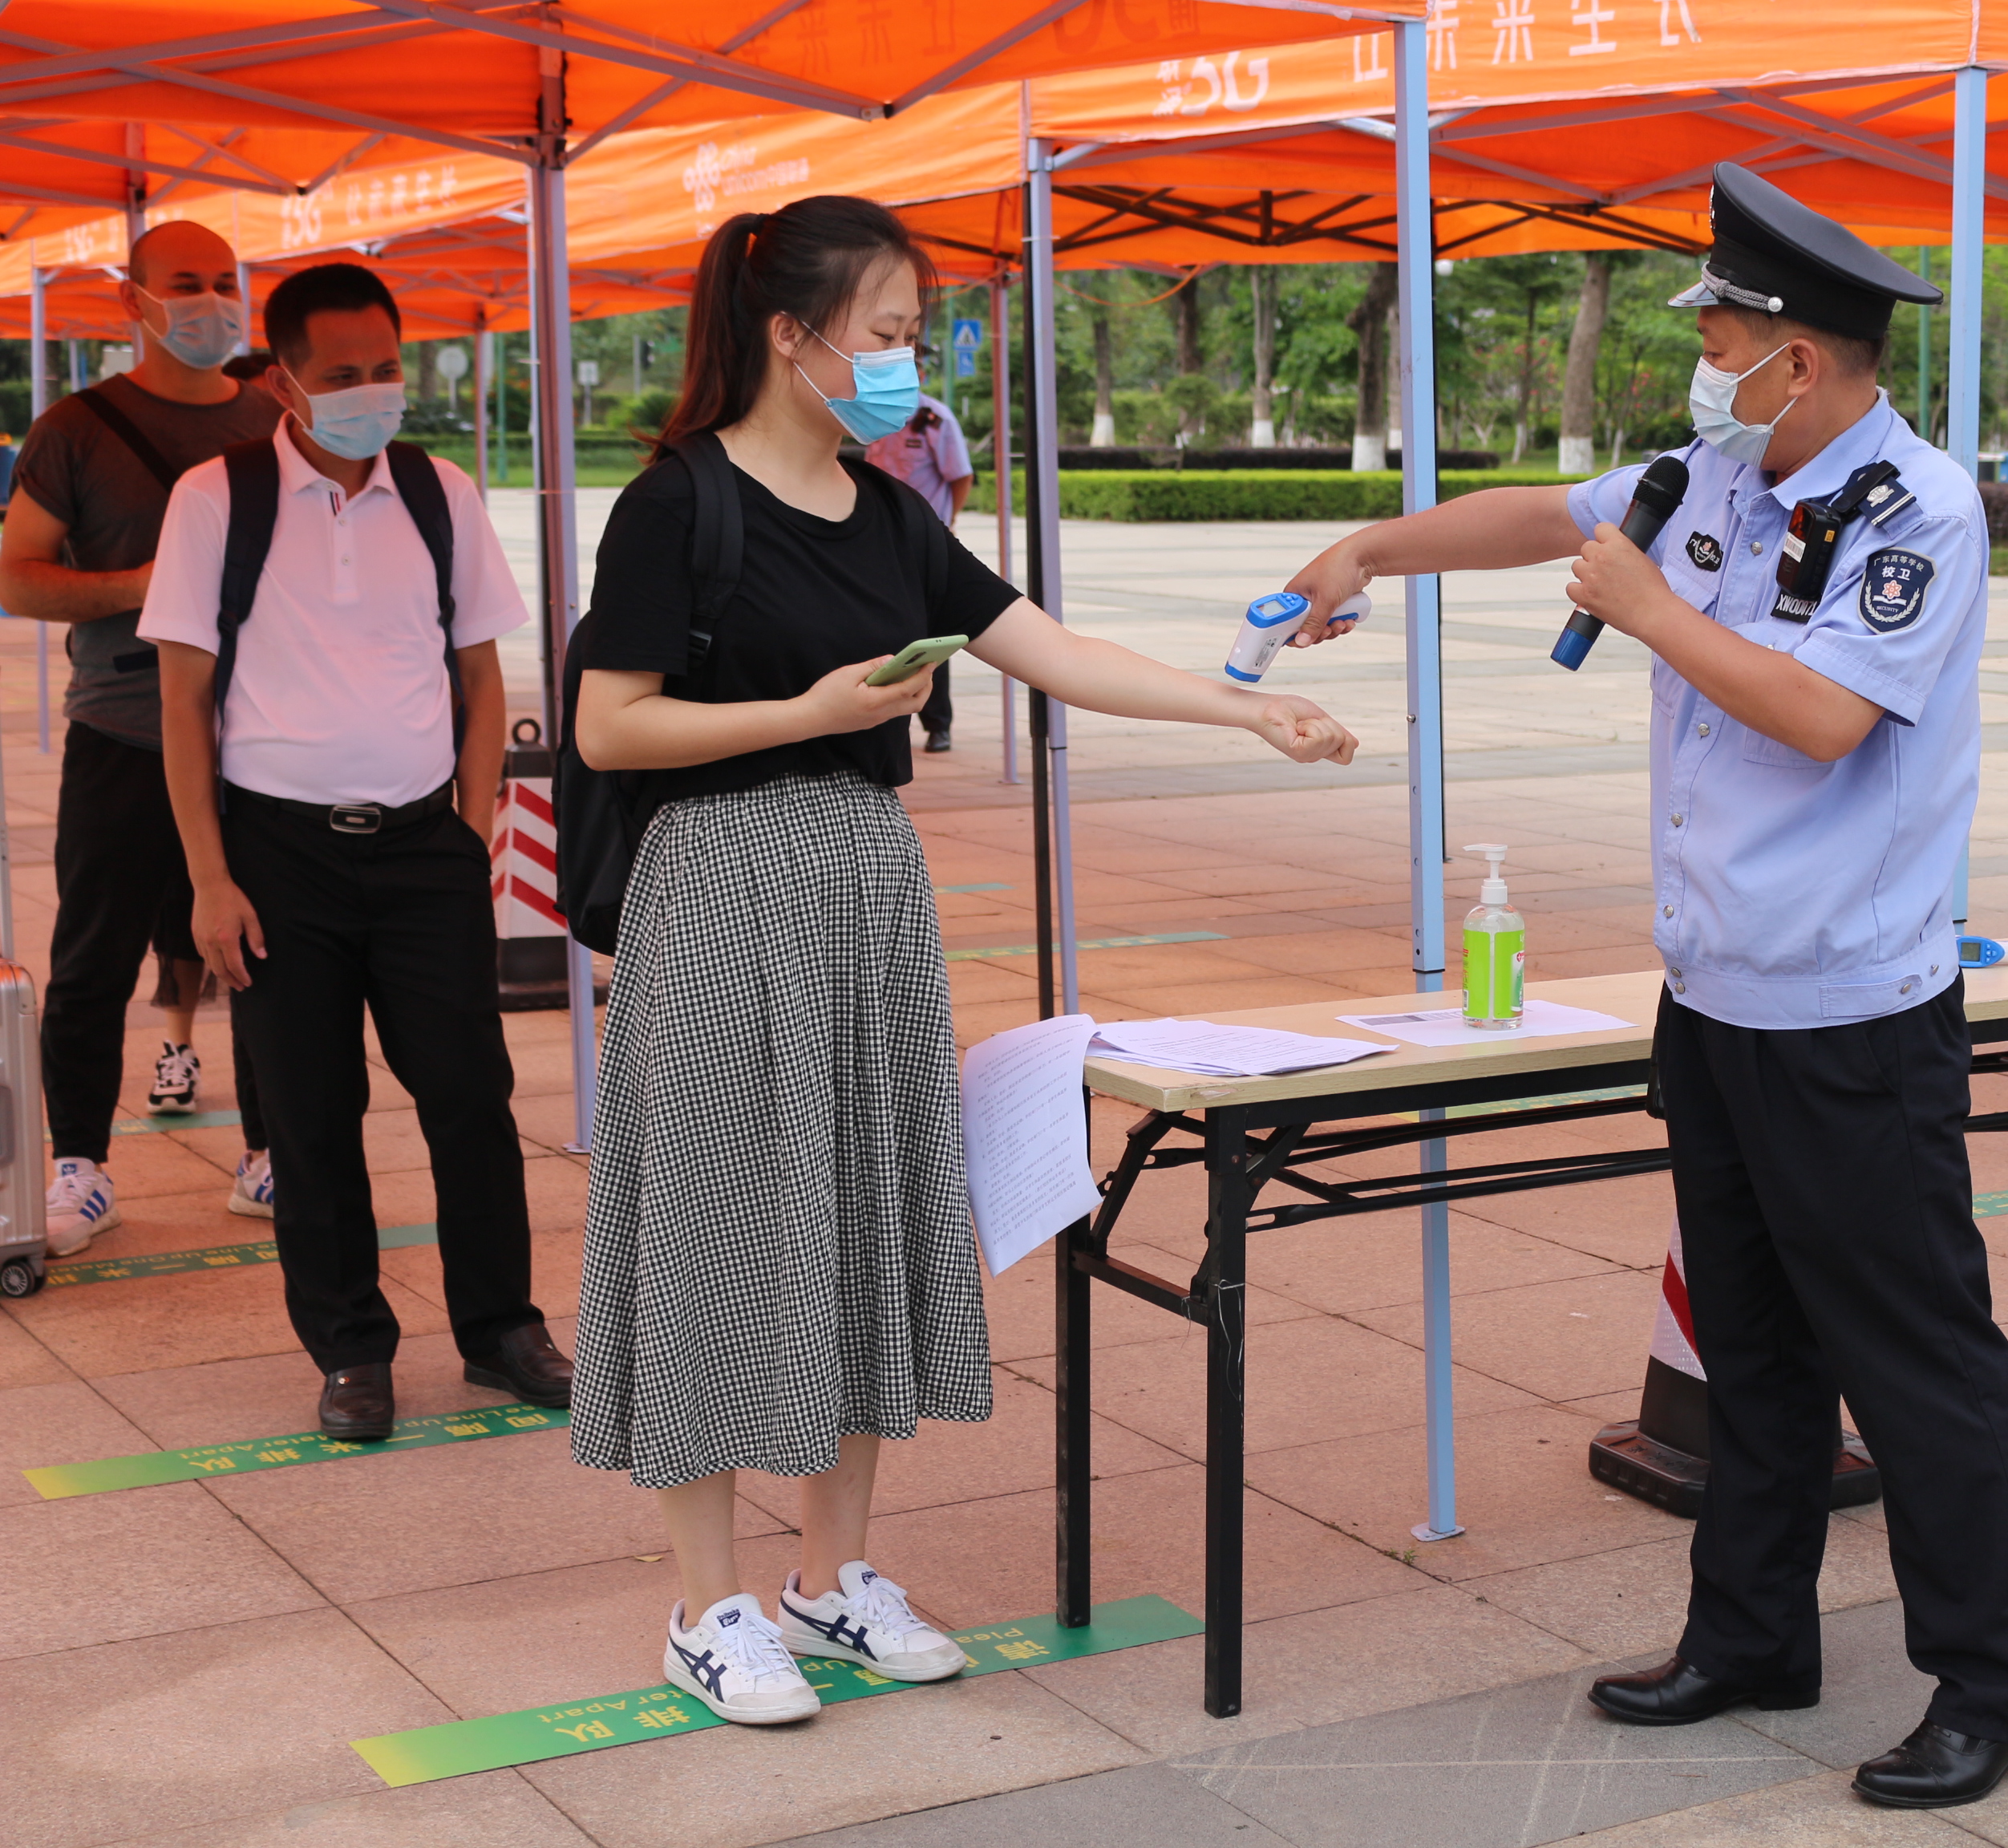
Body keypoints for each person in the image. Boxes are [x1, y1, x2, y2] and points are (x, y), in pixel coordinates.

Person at [1284, 163, 2008, 1810]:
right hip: (1715, 997)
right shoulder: (1710, 472)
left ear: (1805, 357)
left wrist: (1645, 612)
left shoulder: (1916, 509)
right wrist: (1365, 549)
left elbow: (1828, 717)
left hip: (1851, 1010)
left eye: (1722, 337)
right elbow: (1538, 514)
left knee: (1915, 1359)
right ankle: (1751, 1634)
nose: (1702, 359)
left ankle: (1996, 1685)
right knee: (1748, 1351)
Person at [566, 197, 1356, 1728]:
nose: (903, 361)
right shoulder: (677, 503)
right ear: (790, 333)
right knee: (713, 1225)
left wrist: (1243, 704)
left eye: (910, 333)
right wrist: (806, 712)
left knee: (862, 1209)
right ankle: (706, 1602)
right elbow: (610, 725)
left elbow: (1049, 648)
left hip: (866, 889)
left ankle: (832, 1574)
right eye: (885, 332)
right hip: (718, 886)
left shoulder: (885, 512)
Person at [139, 261, 573, 1441]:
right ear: (282, 382)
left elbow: (482, 675)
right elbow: (183, 702)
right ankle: (350, 1349)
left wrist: (471, 829)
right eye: (341, 376)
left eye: (386, 368)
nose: (372, 392)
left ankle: (502, 1329)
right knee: (311, 1112)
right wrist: (209, 878)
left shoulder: (439, 492)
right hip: (275, 856)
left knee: (469, 1096)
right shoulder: (216, 500)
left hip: (426, 847)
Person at [0, 219, 279, 1254]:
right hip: (122, 731)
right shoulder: (75, 428)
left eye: (224, 282)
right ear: (135, 299)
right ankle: (78, 1163)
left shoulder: (274, 419)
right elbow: (18, 577)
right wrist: (147, 587)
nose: (210, 303)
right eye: (185, 283)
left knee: (268, 952)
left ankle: (271, 1152)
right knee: (94, 956)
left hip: (261, 738)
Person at [862, 395, 974, 752]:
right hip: (876, 539)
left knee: (932, 635)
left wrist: (946, 523)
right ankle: (880, 723)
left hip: (922, 544)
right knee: (877, 630)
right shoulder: (869, 411)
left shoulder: (934, 420)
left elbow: (961, 476)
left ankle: (938, 724)